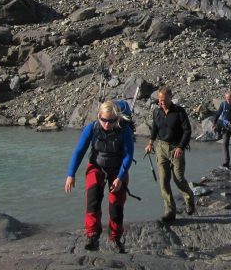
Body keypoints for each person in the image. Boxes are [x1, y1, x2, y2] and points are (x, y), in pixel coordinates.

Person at [65, 100, 134, 253]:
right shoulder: (92, 128)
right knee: (93, 200)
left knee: (116, 204)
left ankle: (115, 238)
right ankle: (92, 236)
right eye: (103, 120)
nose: (107, 124)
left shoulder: (124, 131)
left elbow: (128, 156)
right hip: (96, 166)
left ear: (117, 119)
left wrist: (120, 177)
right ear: (99, 117)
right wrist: (71, 174)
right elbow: (79, 152)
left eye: (111, 121)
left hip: (117, 168)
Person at [144, 86, 194, 224]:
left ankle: (189, 197)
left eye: (164, 100)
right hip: (161, 148)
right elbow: (155, 127)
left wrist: (181, 147)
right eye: (159, 99)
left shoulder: (179, 112)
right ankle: (170, 211)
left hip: (176, 148)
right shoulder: (157, 112)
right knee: (164, 180)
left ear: (170, 98)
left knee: (178, 179)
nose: (161, 102)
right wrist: (150, 143)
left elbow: (187, 130)